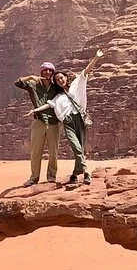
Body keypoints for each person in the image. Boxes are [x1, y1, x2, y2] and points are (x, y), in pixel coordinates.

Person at [24, 49, 103, 185]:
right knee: (76, 148)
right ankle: (86, 173)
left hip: (80, 120)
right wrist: (34, 110)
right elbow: (49, 105)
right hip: (68, 123)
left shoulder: (77, 84)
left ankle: (74, 174)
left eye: (61, 78)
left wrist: (96, 57)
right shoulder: (58, 97)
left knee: (81, 148)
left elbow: (87, 70)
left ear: (66, 77)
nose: (60, 80)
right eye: (57, 79)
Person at [15, 61, 61, 186]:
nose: (47, 72)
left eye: (50, 70)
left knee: (53, 152)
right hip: (39, 121)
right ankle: (34, 178)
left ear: (52, 72)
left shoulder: (56, 87)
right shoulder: (33, 85)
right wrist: (30, 77)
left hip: (53, 121)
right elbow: (18, 83)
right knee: (36, 152)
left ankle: (51, 177)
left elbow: (68, 85)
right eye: (45, 70)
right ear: (41, 71)